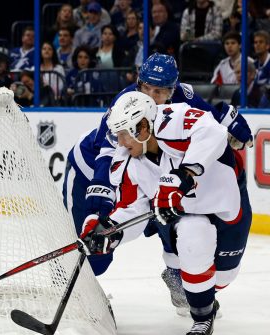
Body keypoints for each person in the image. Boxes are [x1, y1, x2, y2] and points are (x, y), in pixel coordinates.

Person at [62, 52, 253, 310]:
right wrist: (98, 211)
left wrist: (229, 119)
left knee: (164, 209)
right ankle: (73, 299)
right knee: (96, 253)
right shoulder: (127, 104)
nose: (151, 97)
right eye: (146, 88)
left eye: (160, 91)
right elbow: (106, 160)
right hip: (91, 170)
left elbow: (207, 117)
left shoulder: (180, 96)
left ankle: (176, 274)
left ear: (172, 90)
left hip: (131, 168)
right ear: (138, 83)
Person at [85, 91, 251, 335]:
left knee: (223, 277)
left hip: (225, 202)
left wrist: (183, 175)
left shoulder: (175, 119)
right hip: (190, 215)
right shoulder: (127, 160)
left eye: (124, 133)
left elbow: (214, 134)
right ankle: (202, 317)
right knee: (193, 239)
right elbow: (131, 207)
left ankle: (200, 288)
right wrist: (110, 231)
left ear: (142, 127)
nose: (121, 142)